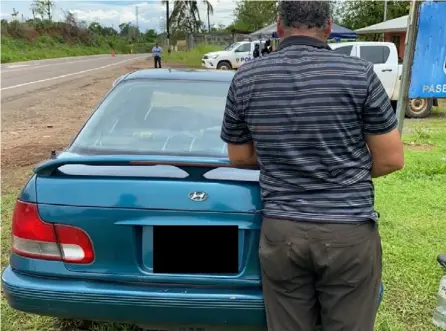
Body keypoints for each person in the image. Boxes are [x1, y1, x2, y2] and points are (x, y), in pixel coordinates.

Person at [220, 1, 404, 331]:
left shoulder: (246, 76)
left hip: (282, 230)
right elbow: (391, 159)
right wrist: (343, 167)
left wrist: (285, 161)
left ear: (278, 26)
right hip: (348, 230)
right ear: (329, 27)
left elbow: (239, 157)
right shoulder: (359, 74)